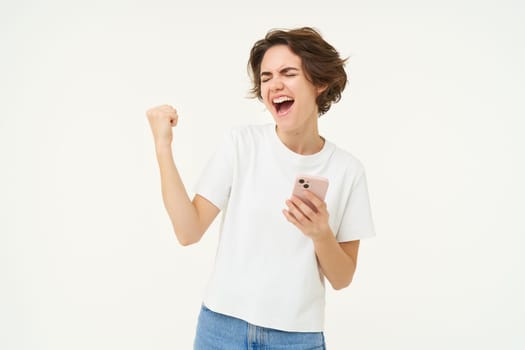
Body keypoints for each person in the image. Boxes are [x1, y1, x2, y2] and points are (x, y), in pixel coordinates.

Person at [146, 27, 375, 350]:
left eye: (288, 73)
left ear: (320, 83)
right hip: (220, 329)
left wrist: (321, 233)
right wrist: (162, 146)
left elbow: (342, 278)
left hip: (296, 339)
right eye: (266, 77)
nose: (274, 84)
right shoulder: (241, 145)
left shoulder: (347, 170)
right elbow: (188, 231)